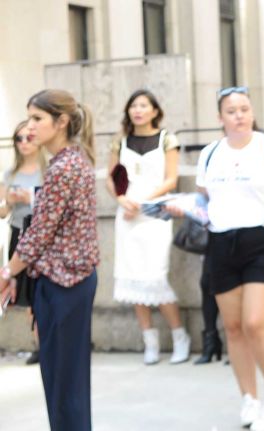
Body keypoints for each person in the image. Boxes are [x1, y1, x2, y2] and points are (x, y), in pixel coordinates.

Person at [173, 86, 264, 431]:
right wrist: (179, 206)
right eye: (231, 110)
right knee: (234, 327)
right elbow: (204, 199)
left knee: (257, 322)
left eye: (244, 108)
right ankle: (250, 398)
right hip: (221, 242)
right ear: (220, 118)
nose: (239, 115)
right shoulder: (211, 153)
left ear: (252, 112)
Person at [0, 89, 99, 430]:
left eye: (37, 119)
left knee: (63, 380)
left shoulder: (64, 168)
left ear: (62, 122)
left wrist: (7, 271)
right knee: (62, 379)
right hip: (63, 279)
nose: (30, 127)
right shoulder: (67, 163)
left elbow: (40, 231)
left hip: (65, 281)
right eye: (28, 117)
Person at [106, 89, 190, 365]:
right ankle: (149, 341)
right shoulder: (120, 141)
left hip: (154, 215)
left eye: (144, 105)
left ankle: (180, 336)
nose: (138, 110)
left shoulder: (168, 139)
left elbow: (170, 179)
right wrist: (121, 199)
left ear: (154, 110)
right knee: (133, 279)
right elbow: (111, 178)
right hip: (127, 216)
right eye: (133, 106)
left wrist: (143, 202)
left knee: (155, 276)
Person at [0, 119, 46, 365]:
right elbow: (3, 212)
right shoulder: (9, 173)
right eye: (19, 139)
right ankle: (39, 344)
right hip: (19, 232)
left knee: (43, 291)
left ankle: (48, 343)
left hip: (43, 235)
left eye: (28, 137)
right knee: (26, 293)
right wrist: (8, 199)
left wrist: (30, 196)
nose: (24, 143)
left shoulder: (48, 168)